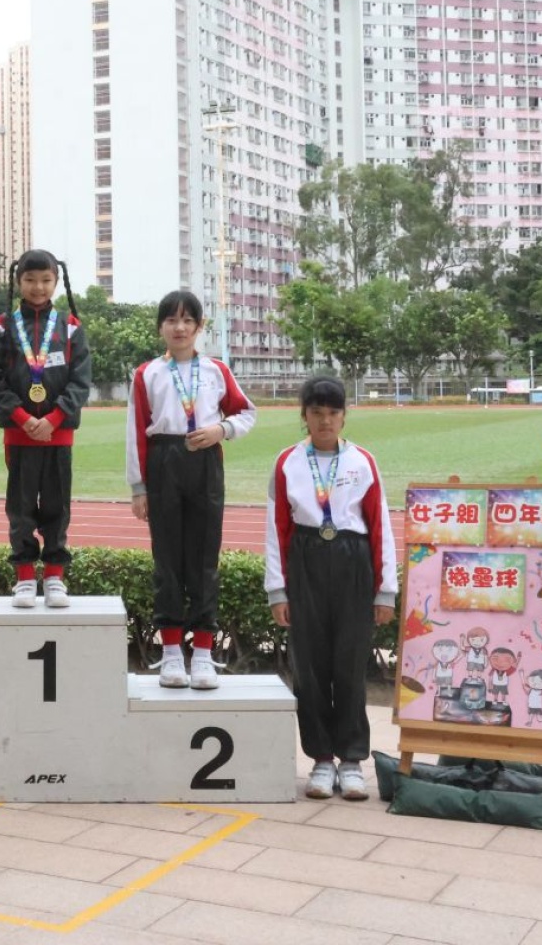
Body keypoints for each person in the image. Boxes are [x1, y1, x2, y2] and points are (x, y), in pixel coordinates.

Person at [263, 376, 396, 803]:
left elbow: (380, 526)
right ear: (304, 416)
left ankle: (352, 759)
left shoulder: (362, 461)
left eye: (333, 413)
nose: (325, 420)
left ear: (344, 416)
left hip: (353, 560)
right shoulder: (287, 462)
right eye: (316, 412)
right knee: (310, 668)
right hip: (305, 560)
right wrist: (278, 590)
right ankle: (321, 759)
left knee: (350, 665)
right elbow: (276, 529)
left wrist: (385, 590)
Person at [126, 289, 256, 690]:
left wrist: (222, 429)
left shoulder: (216, 370)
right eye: (171, 320)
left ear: (200, 327)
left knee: (203, 559)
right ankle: (170, 654)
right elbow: (136, 432)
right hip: (164, 461)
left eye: (187, 320)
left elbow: (246, 412)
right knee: (167, 561)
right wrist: (138, 487)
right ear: (160, 327)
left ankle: (202, 654)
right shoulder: (147, 373)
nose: (179, 327)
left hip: (204, 462)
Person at [0, 248, 92, 609]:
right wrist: (24, 419)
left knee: (58, 507)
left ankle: (56, 576)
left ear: (56, 282)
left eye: (46, 280)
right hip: (20, 435)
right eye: (30, 280)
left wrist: (54, 419)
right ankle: (25, 577)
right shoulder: (3, 326)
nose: (38, 287)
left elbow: (80, 382)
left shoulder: (71, 327)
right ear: (18, 282)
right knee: (21, 509)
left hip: (58, 436)